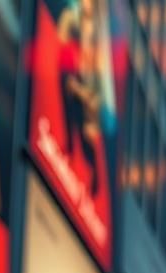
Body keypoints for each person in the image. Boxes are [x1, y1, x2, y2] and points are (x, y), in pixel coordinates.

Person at [57, 0, 103, 196]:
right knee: (69, 114)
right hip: (70, 74)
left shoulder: (95, 34)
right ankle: (67, 146)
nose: (87, 4)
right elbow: (62, 40)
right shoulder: (71, 18)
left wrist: (88, 94)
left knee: (86, 134)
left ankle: (93, 174)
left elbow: (96, 71)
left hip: (86, 84)